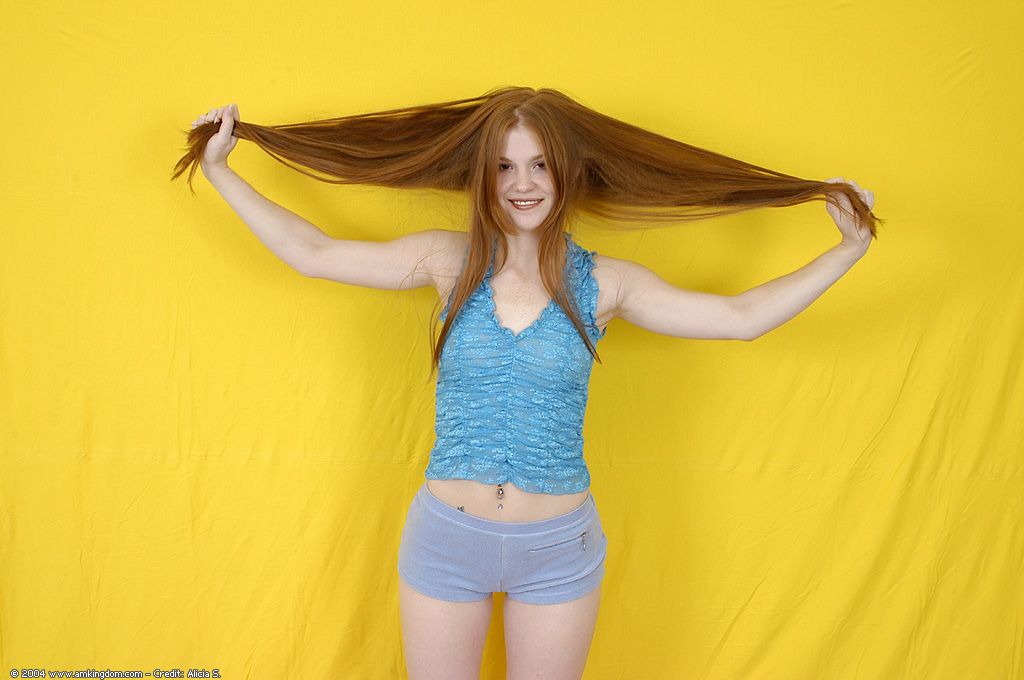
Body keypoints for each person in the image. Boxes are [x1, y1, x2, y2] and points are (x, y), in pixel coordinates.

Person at [177, 87, 879, 680]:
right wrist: (221, 171)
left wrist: (846, 251)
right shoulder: (446, 261)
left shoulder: (606, 283)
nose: (523, 183)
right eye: (505, 166)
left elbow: (741, 318)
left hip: (558, 552)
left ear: (568, 173)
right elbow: (313, 252)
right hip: (445, 541)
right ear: (483, 178)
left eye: (540, 164)